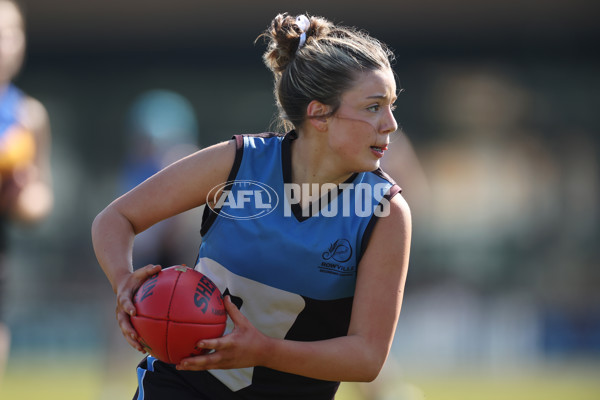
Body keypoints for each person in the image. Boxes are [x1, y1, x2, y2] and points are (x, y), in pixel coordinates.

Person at [92, 12, 411, 400]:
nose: (391, 123)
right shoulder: (239, 161)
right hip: (180, 386)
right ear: (319, 114)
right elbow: (116, 218)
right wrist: (124, 282)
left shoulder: (384, 212)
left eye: (391, 105)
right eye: (374, 107)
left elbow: (367, 358)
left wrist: (264, 351)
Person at [0, 0, 53, 385]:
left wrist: (21, 200)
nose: (4, 44)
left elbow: (41, 199)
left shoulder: (28, 115)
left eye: (10, 34)